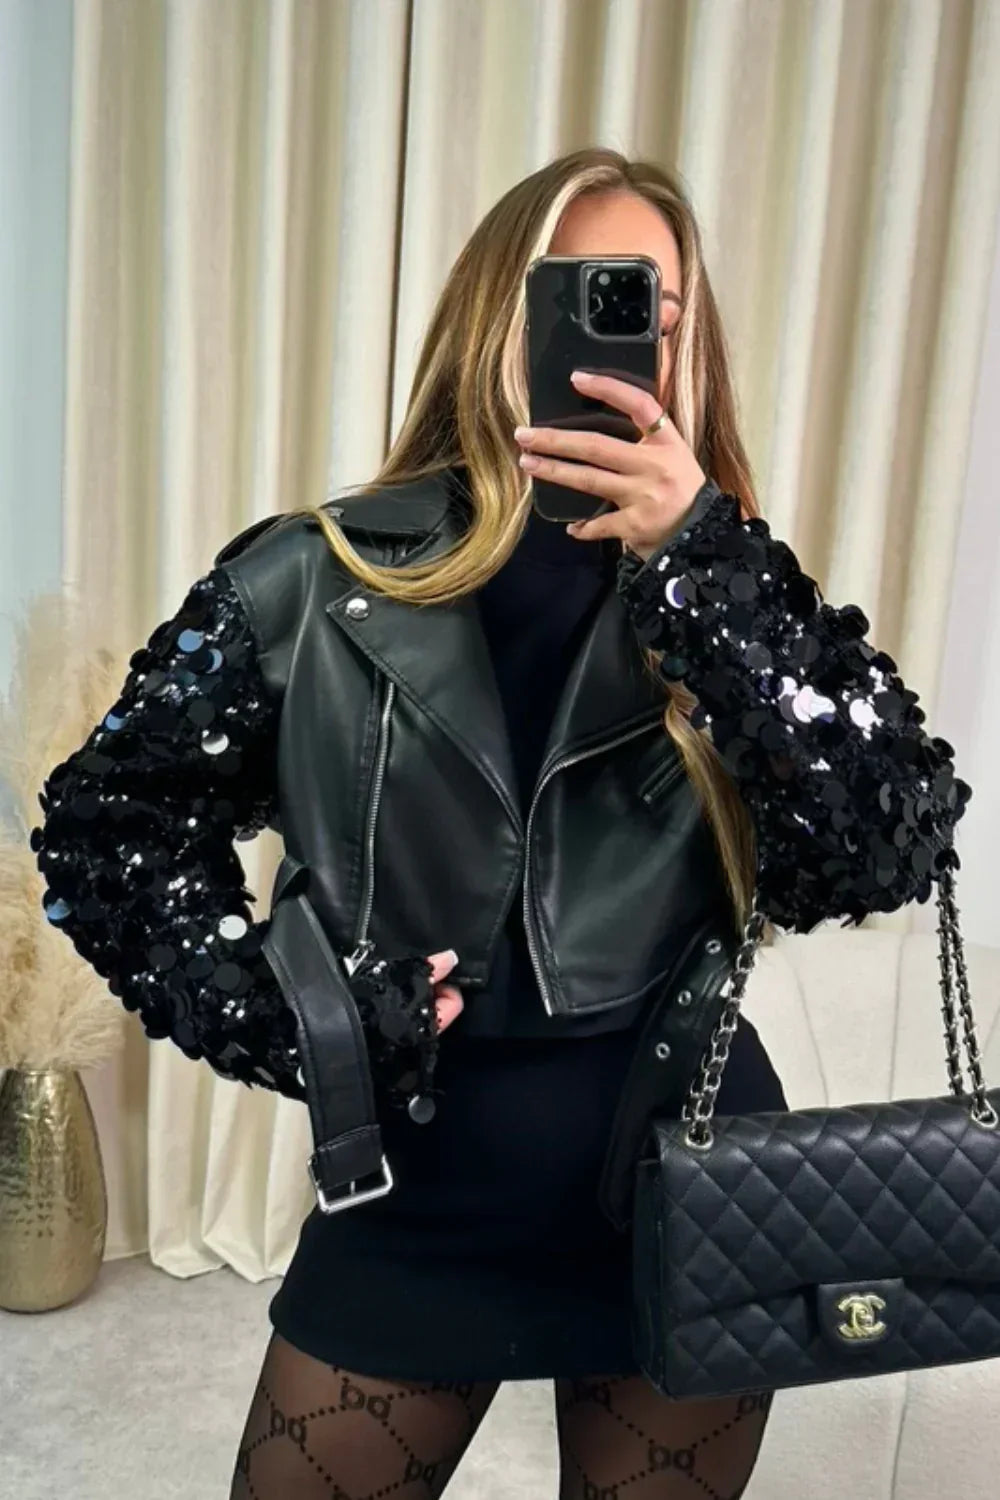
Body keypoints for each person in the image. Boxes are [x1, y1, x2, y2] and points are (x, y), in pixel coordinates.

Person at [31, 146, 970, 1499]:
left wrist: (705, 559)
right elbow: (106, 826)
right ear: (498, 318)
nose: (620, 335)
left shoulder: (727, 603)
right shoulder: (317, 577)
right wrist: (290, 1015)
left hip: (687, 1182)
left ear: (687, 350)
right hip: (416, 1185)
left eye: (655, 310)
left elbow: (889, 844)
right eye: (580, 293)